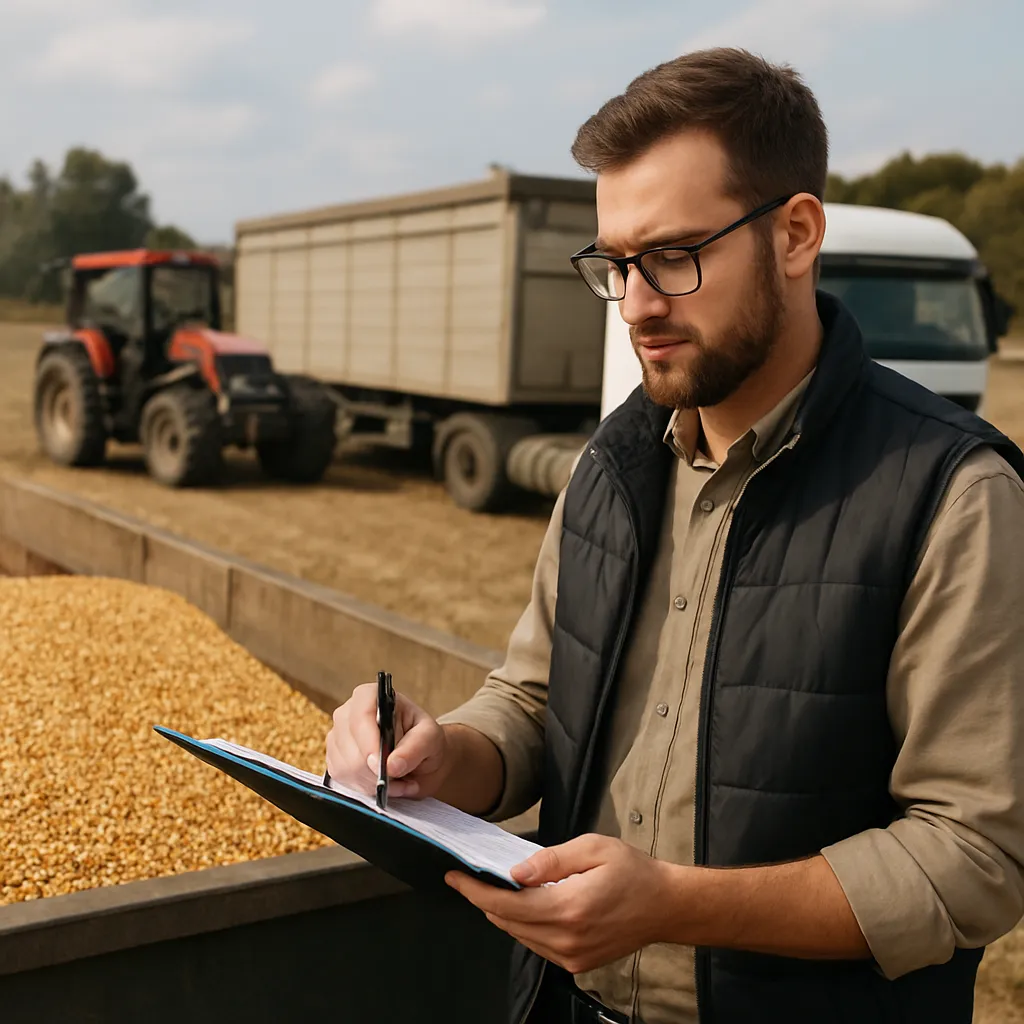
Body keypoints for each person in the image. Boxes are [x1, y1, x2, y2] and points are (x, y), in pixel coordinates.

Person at [326, 48, 1024, 1024]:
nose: (639, 305)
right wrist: (443, 757)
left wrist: (673, 905)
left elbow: (975, 857)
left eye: (673, 256)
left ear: (795, 234)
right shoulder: (611, 466)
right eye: (616, 265)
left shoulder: (954, 494)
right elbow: (536, 699)